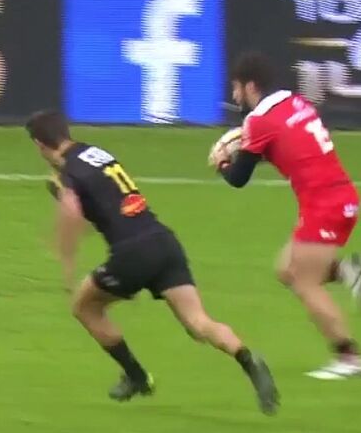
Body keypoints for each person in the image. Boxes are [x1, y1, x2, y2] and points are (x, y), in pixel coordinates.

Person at [25, 111, 279, 414]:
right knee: (198, 323)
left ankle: (137, 377)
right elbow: (107, 201)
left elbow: (72, 212)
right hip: (163, 242)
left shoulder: (69, 172)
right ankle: (249, 361)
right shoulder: (97, 153)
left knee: (84, 307)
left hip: (131, 253)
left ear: (40, 145)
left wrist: (66, 259)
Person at [213, 53, 361, 380]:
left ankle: (349, 358)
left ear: (250, 86)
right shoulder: (294, 102)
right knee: (286, 269)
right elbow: (287, 145)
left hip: (324, 204)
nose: (234, 96)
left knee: (305, 282)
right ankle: (345, 271)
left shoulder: (258, 121)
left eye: (236, 88)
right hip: (339, 196)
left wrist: (222, 163)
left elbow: (238, 179)